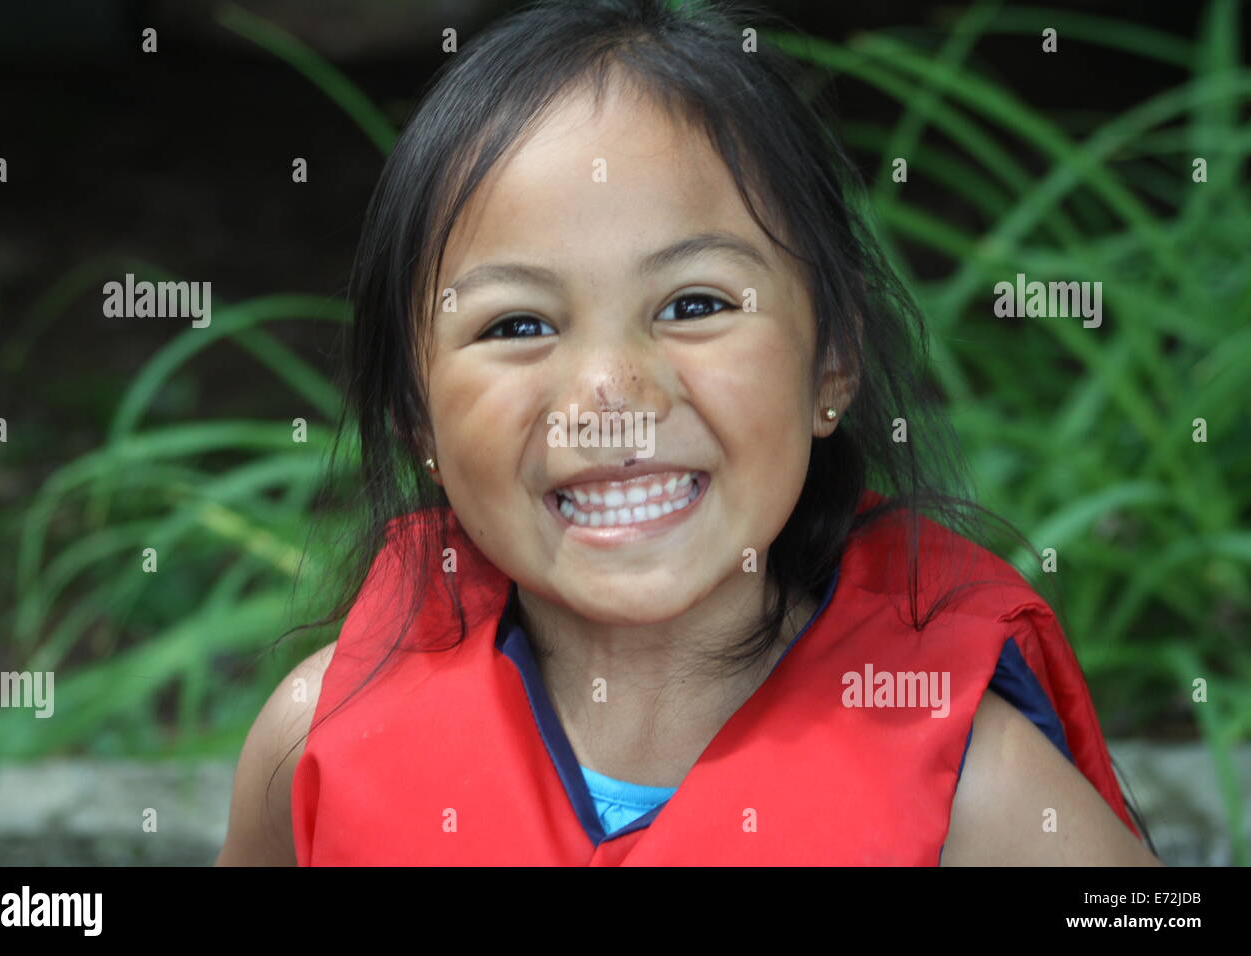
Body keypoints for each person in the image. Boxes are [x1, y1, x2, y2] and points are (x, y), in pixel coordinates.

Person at [217, 0, 1162, 866]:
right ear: (415, 416)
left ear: (831, 364)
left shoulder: (982, 797)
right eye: (518, 325)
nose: (613, 392)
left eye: (696, 303)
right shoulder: (313, 744)